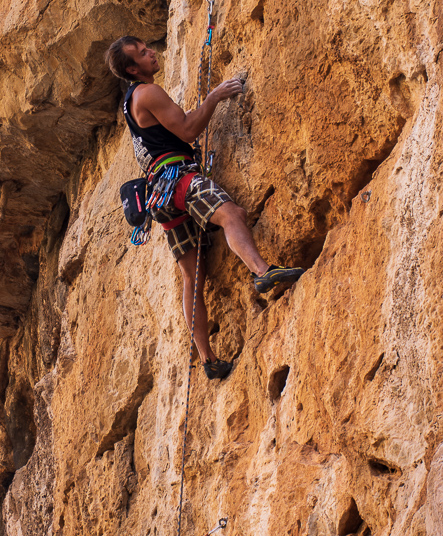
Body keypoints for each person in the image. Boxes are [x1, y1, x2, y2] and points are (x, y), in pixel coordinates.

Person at [106, 35, 304, 380]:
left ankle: (208, 358)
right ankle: (262, 271)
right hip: (178, 179)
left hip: (160, 194)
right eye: (142, 54)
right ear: (133, 68)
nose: (152, 53)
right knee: (232, 214)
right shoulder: (147, 92)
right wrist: (214, 97)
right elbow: (187, 129)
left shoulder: (129, 101)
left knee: (191, 275)